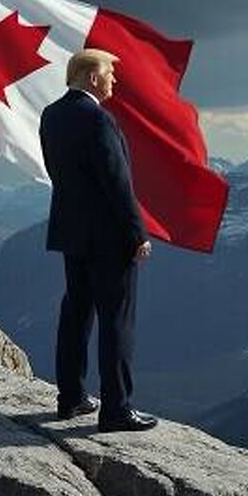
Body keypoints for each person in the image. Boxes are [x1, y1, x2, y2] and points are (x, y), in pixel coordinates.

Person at [40, 48, 158, 432]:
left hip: (70, 230)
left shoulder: (51, 115)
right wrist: (135, 232)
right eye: (110, 73)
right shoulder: (99, 120)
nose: (115, 80)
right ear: (93, 77)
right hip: (108, 236)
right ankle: (116, 409)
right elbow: (116, 181)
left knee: (76, 313)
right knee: (116, 320)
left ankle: (70, 398)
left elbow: (58, 173)